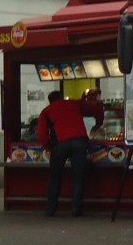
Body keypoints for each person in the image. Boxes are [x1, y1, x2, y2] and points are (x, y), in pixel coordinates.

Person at [38, 89, 104, 217]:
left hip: (60, 143)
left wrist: (48, 147)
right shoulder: (75, 104)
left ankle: (51, 209)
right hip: (80, 141)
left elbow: (42, 133)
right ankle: (76, 209)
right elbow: (96, 109)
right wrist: (98, 124)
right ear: (62, 97)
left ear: (50, 101)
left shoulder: (46, 111)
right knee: (78, 176)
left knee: (55, 177)